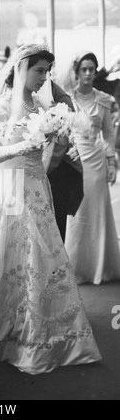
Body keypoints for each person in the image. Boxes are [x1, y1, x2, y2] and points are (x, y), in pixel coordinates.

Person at [0, 44, 102, 375]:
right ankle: (4, 334)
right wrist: (22, 145)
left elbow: (44, 156)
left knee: (42, 258)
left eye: (47, 71)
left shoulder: (41, 104)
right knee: (14, 258)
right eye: (38, 70)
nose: (43, 77)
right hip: (10, 192)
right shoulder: (4, 104)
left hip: (35, 188)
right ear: (20, 70)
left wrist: (55, 140)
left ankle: (39, 335)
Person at [64, 51, 120, 285]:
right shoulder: (66, 99)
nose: (88, 73)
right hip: (72, 160)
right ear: (76, 72)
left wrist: (112, 161)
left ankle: (100, 268)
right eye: (84, 69)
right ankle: (74, 267)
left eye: (92, 69)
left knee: (96, 213)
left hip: (96, 162)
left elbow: (108, 133)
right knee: (76, 214)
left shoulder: (104, 100)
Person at [46, 82, 84, 242]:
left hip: (56, 169)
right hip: (29, 169)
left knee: (55, 226)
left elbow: (62, 140)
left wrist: (41, 169)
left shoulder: (61, 97)